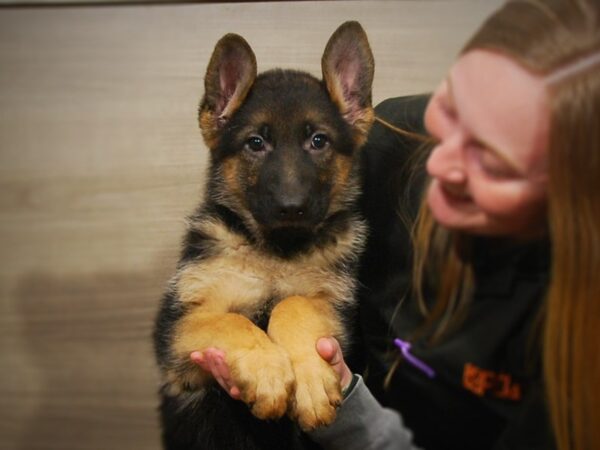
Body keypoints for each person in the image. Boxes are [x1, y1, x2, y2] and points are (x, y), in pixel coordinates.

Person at [191, 0, 600, 449]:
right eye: (452, 110)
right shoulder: (390, 147)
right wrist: (335, 386)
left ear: (568, 205)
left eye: (493, 161)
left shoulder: (574, 349)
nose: (441, 161)